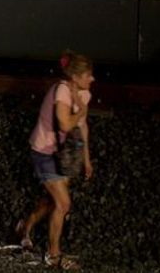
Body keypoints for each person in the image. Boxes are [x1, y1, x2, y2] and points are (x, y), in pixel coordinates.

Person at [18, 51, 94, 270]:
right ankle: (53, 254)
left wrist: (86, 159)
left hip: (62, 154)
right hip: (44, 151)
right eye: (88, 75)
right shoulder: (62, 90)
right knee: (63, 203)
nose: (92, 79)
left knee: (53, 201)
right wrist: (82, 110)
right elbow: (65, 124)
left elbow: (82, 127)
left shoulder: (84, 94)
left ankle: (25, 226)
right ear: (76, 76)